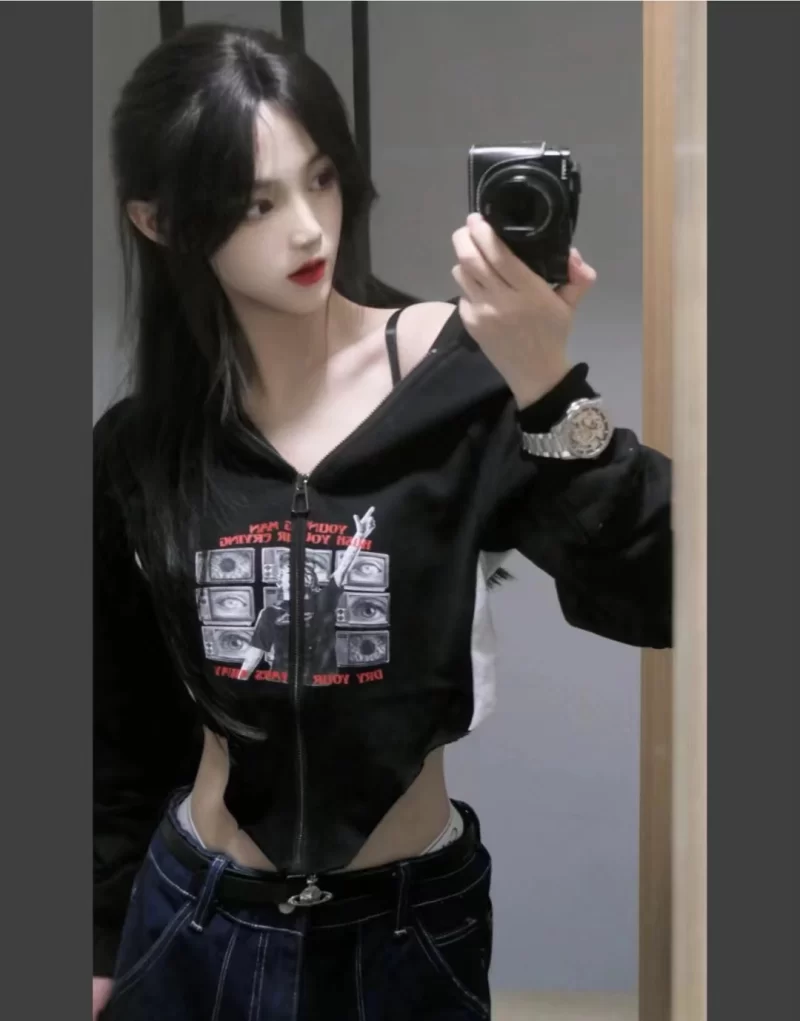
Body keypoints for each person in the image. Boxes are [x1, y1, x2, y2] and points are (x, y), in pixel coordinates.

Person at [93, 21, 672, 1021]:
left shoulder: (459, 378)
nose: (308, 230)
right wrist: (98, 940)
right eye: (256, 203)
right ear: (158, 220)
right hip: (193, 921)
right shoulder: (141, 448)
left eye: (320, 179)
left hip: (406, 929)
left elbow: (662, 589)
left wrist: (545, 384)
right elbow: (116, 720)